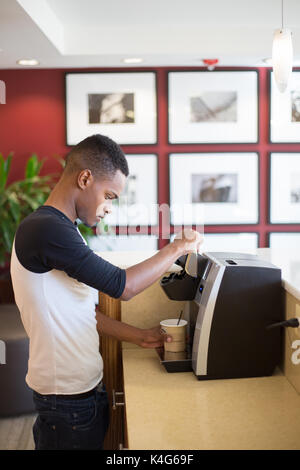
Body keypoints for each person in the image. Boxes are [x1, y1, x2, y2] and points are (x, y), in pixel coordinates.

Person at [10, 134, 202, 450]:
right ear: (85, 178)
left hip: (79, 396)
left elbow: (79, 312)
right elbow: (122, 287)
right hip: (67, 403)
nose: (109, 208)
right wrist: (177, 247)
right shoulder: (46, 229)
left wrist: (137, 335)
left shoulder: (62, 229)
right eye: (109, 196)